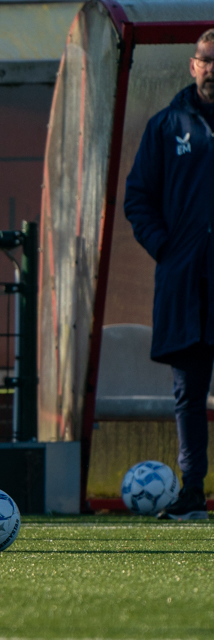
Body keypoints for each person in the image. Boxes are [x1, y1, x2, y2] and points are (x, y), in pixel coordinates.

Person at [125, 29, 214, 520]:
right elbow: (138, 198)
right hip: (184, 285)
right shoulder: (166, 126)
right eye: (208, 60)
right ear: (192, 65)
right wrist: (167, 248)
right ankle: (191, 494)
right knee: (189, 396)